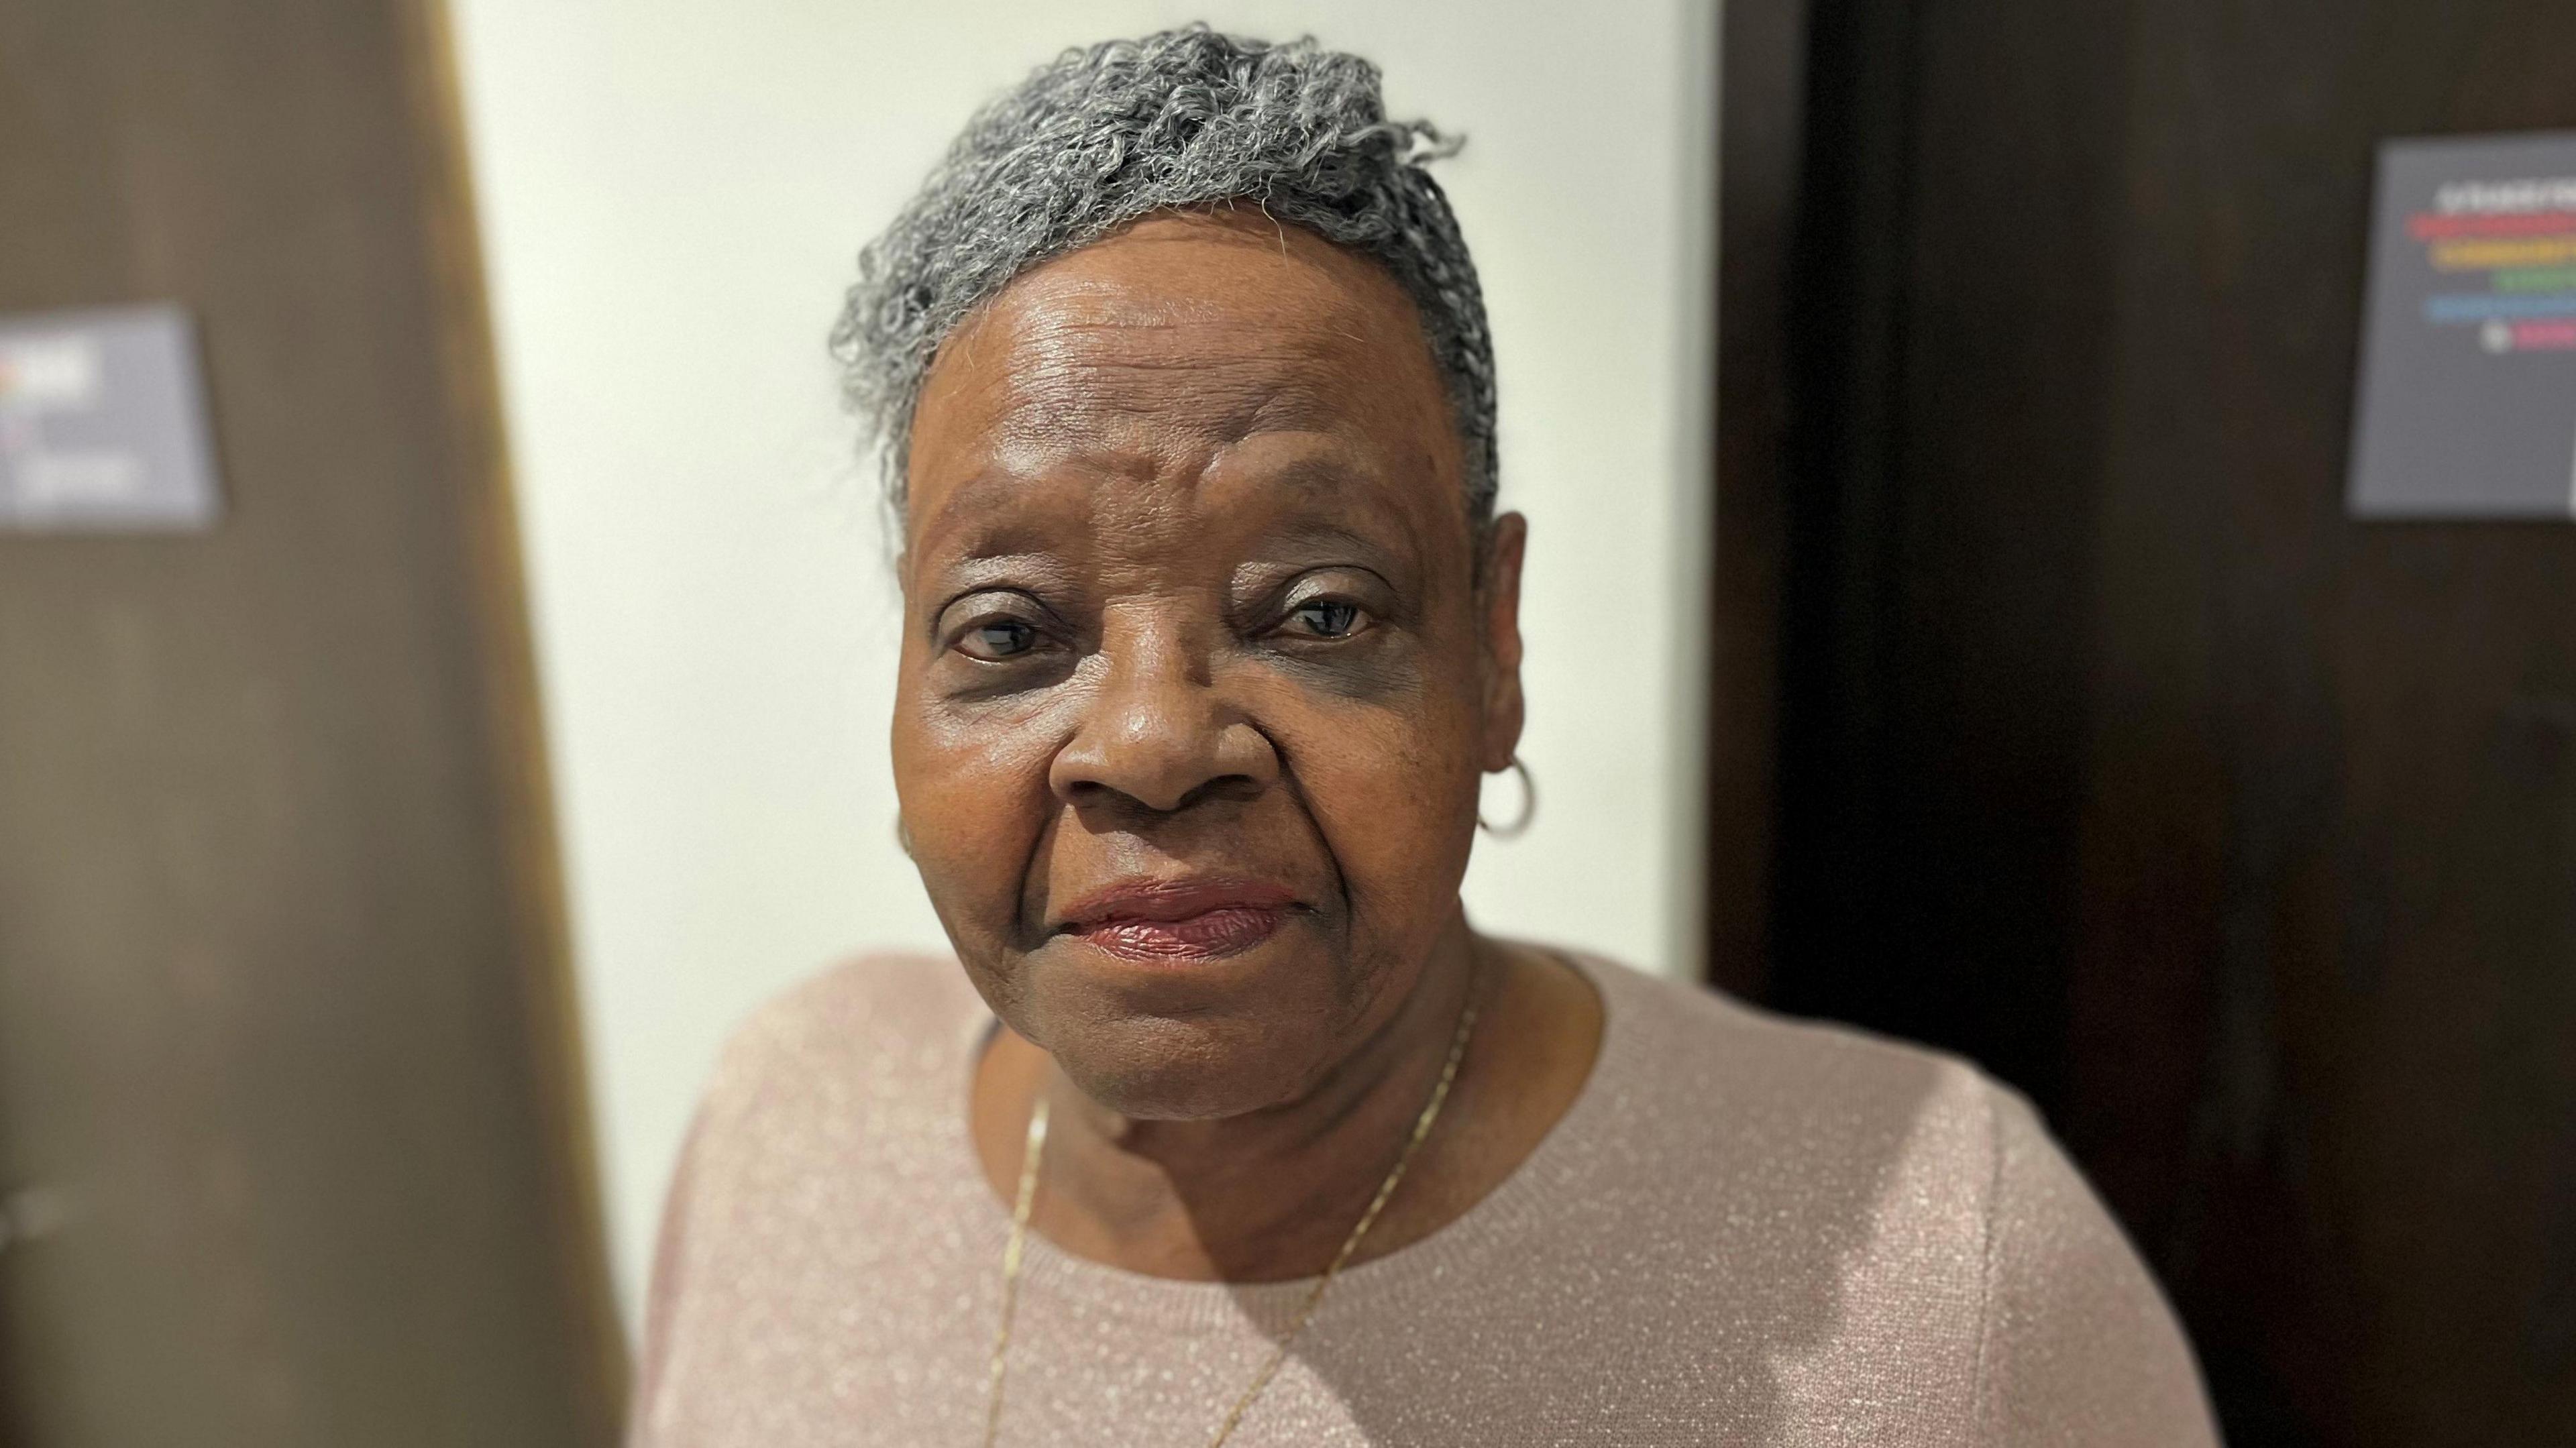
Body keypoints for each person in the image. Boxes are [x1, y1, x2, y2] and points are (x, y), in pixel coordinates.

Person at [627, 26, 2218, 1447]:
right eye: (1012, 633)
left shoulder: (1950, 1271)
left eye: (1317, 610)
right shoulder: (793, 1117)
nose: (1154, 743)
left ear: (1492, 641)